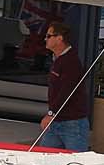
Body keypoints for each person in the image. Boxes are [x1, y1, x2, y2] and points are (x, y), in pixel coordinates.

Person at [35, 23, 92, 151]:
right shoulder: (57, 59)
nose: (45, 39)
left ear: (59, 38)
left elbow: (67, 91)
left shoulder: (71, 61)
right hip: (57, 121)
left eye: (48, 36)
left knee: (76, 160)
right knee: (44, 156)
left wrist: (51, 113)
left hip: (73, 123)